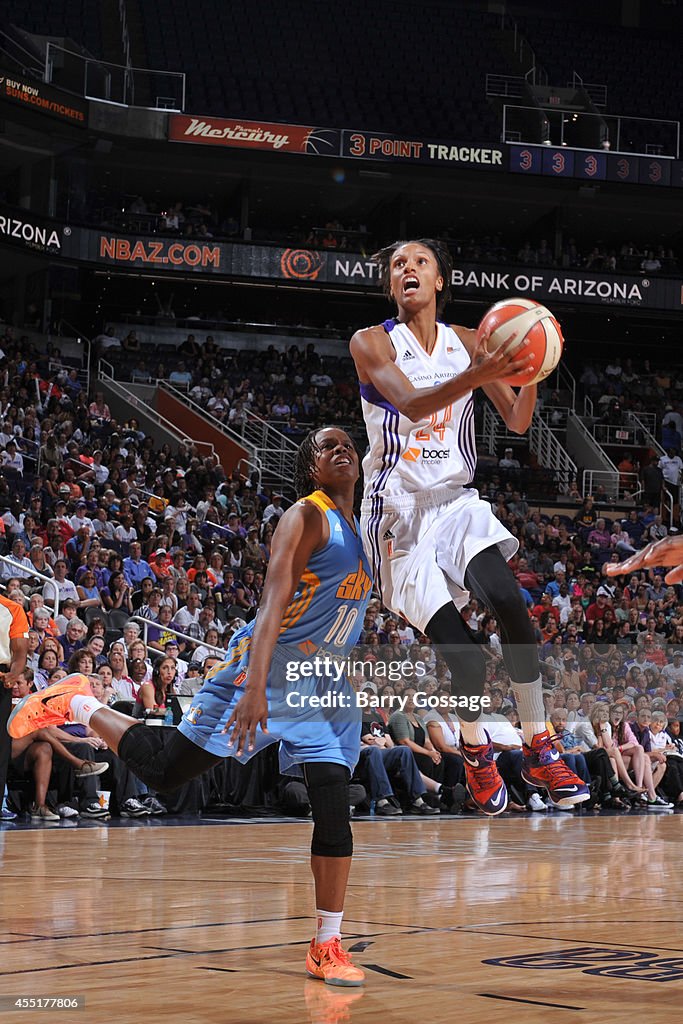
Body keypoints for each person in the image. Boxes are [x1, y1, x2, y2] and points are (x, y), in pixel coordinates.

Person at [9, 427, 371, 987]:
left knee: (332, 801)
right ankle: (76, 701)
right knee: (165, 770)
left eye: (347, 442)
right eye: (326, 446)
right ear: (311, 469)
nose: (340, 448)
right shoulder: (307, 515)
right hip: (267, 672)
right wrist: (252, 685)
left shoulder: (362, 529)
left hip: (321, 687)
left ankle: (327, 943)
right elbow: (273, 598)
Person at [349, 238, 588, 813]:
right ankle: (477, 753)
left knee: (509, 599)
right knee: (465, 654)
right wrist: (482, 369)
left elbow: (519, 418)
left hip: (455, 502)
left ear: (440, 281)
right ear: (391, 286)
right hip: (394, 517)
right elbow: (410, 403)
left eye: (419, 263)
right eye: (397, 266)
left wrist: (533, 363)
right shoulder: (371, 342)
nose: (407, 270)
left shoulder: (465, 342)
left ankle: (539, 742)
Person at [0, 593, 30, 820]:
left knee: (1, 745)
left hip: (1, 677)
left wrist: (14, 673)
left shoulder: (12, 609)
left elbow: (20, 653)